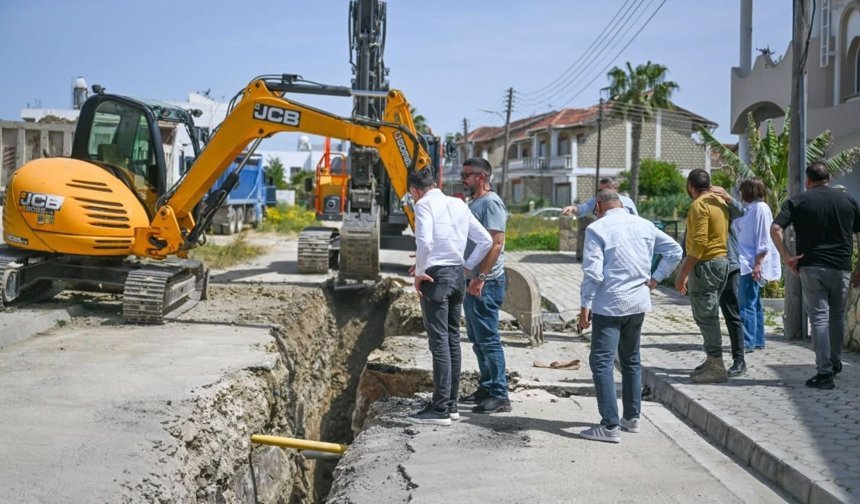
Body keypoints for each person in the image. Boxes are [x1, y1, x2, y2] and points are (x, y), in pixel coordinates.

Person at [578, 190, 682, 443]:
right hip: (638, 303)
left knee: (601, 363)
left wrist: (584, 306)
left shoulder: (597, 229)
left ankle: (610, 425)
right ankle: (632, 417)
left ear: (599, 206)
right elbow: (675, 250)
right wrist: (657, 277)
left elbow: (593, 273)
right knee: (631, 360)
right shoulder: (644, 225)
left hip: (609, 304)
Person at [406, 168, 493, 425]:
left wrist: (420, 273)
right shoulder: (458, 204)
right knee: (453, 339)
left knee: (439, 343)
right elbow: (486, 240)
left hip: (437, 279)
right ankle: (451, 405)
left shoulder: (423, 205)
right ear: (435, 183)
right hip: (456, 277)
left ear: (414, 191)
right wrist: (465, 265)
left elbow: (425, 243)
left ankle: (440, 408)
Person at [771, 162, 860, 390]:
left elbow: (775, 228)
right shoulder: (848, 200)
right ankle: (835, 362)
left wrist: (787, 256)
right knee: (837, 317)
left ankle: (824, 373)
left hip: (811, 266)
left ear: (809, 181)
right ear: (828, 179)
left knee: (819, 318)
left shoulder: (799, 200)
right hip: (841, 268)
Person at [458, 157, 512, 414]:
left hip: (486, 282)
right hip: (474, 280)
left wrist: (481, 277)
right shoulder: (475, 203)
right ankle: (487, 386)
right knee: (477, 338)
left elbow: (496, 243)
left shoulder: (491, 203)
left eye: (467, 174)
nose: (463, 179)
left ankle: (500, 395)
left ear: (481, 177)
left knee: (489, 339)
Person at [675, 169, 731, 384]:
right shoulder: (719, 202)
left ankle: (716, 365)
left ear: (690, 186)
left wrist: (684, 272)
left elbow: (699, 242)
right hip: (721, 261)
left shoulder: (699, 205)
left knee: (706, 316)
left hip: (706, 264)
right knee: (709, 313)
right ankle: (711, 360)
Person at [733, 178, 781, 354]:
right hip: (746, 260)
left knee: (746, 304)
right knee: (754, 303)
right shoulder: (749, 209)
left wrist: (758, 264)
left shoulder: (761, 209)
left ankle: (747, 341)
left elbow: (763, 239)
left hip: (751, 263)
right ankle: (757, 339)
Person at [710, 186, 749, 377]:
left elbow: (741, 211)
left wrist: (727, 197)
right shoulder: (698, 208)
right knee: (708, 316)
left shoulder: (724, 207)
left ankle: (739, 360)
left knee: (731, 314)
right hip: (708, 268)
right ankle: (713, 359)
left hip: (729, 265)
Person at [561, 176, 638, 217]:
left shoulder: (627, 202)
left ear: (616, 188)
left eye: (607, 189)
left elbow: (636, 219)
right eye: (600, 190)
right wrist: (572, 208)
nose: (603, 193)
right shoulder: (596, 201)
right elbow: (583, 208)